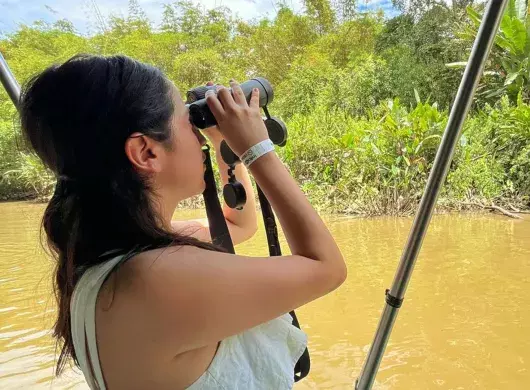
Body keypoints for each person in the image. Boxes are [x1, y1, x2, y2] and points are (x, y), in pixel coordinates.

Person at [19, 54, 347, 389]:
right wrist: (256, 148)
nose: (200, 138)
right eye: (190, 124)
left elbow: (238, 226)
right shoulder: (155, 278)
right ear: (146, 152)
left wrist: (223, 143)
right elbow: (326, 267)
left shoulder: (115, 258)